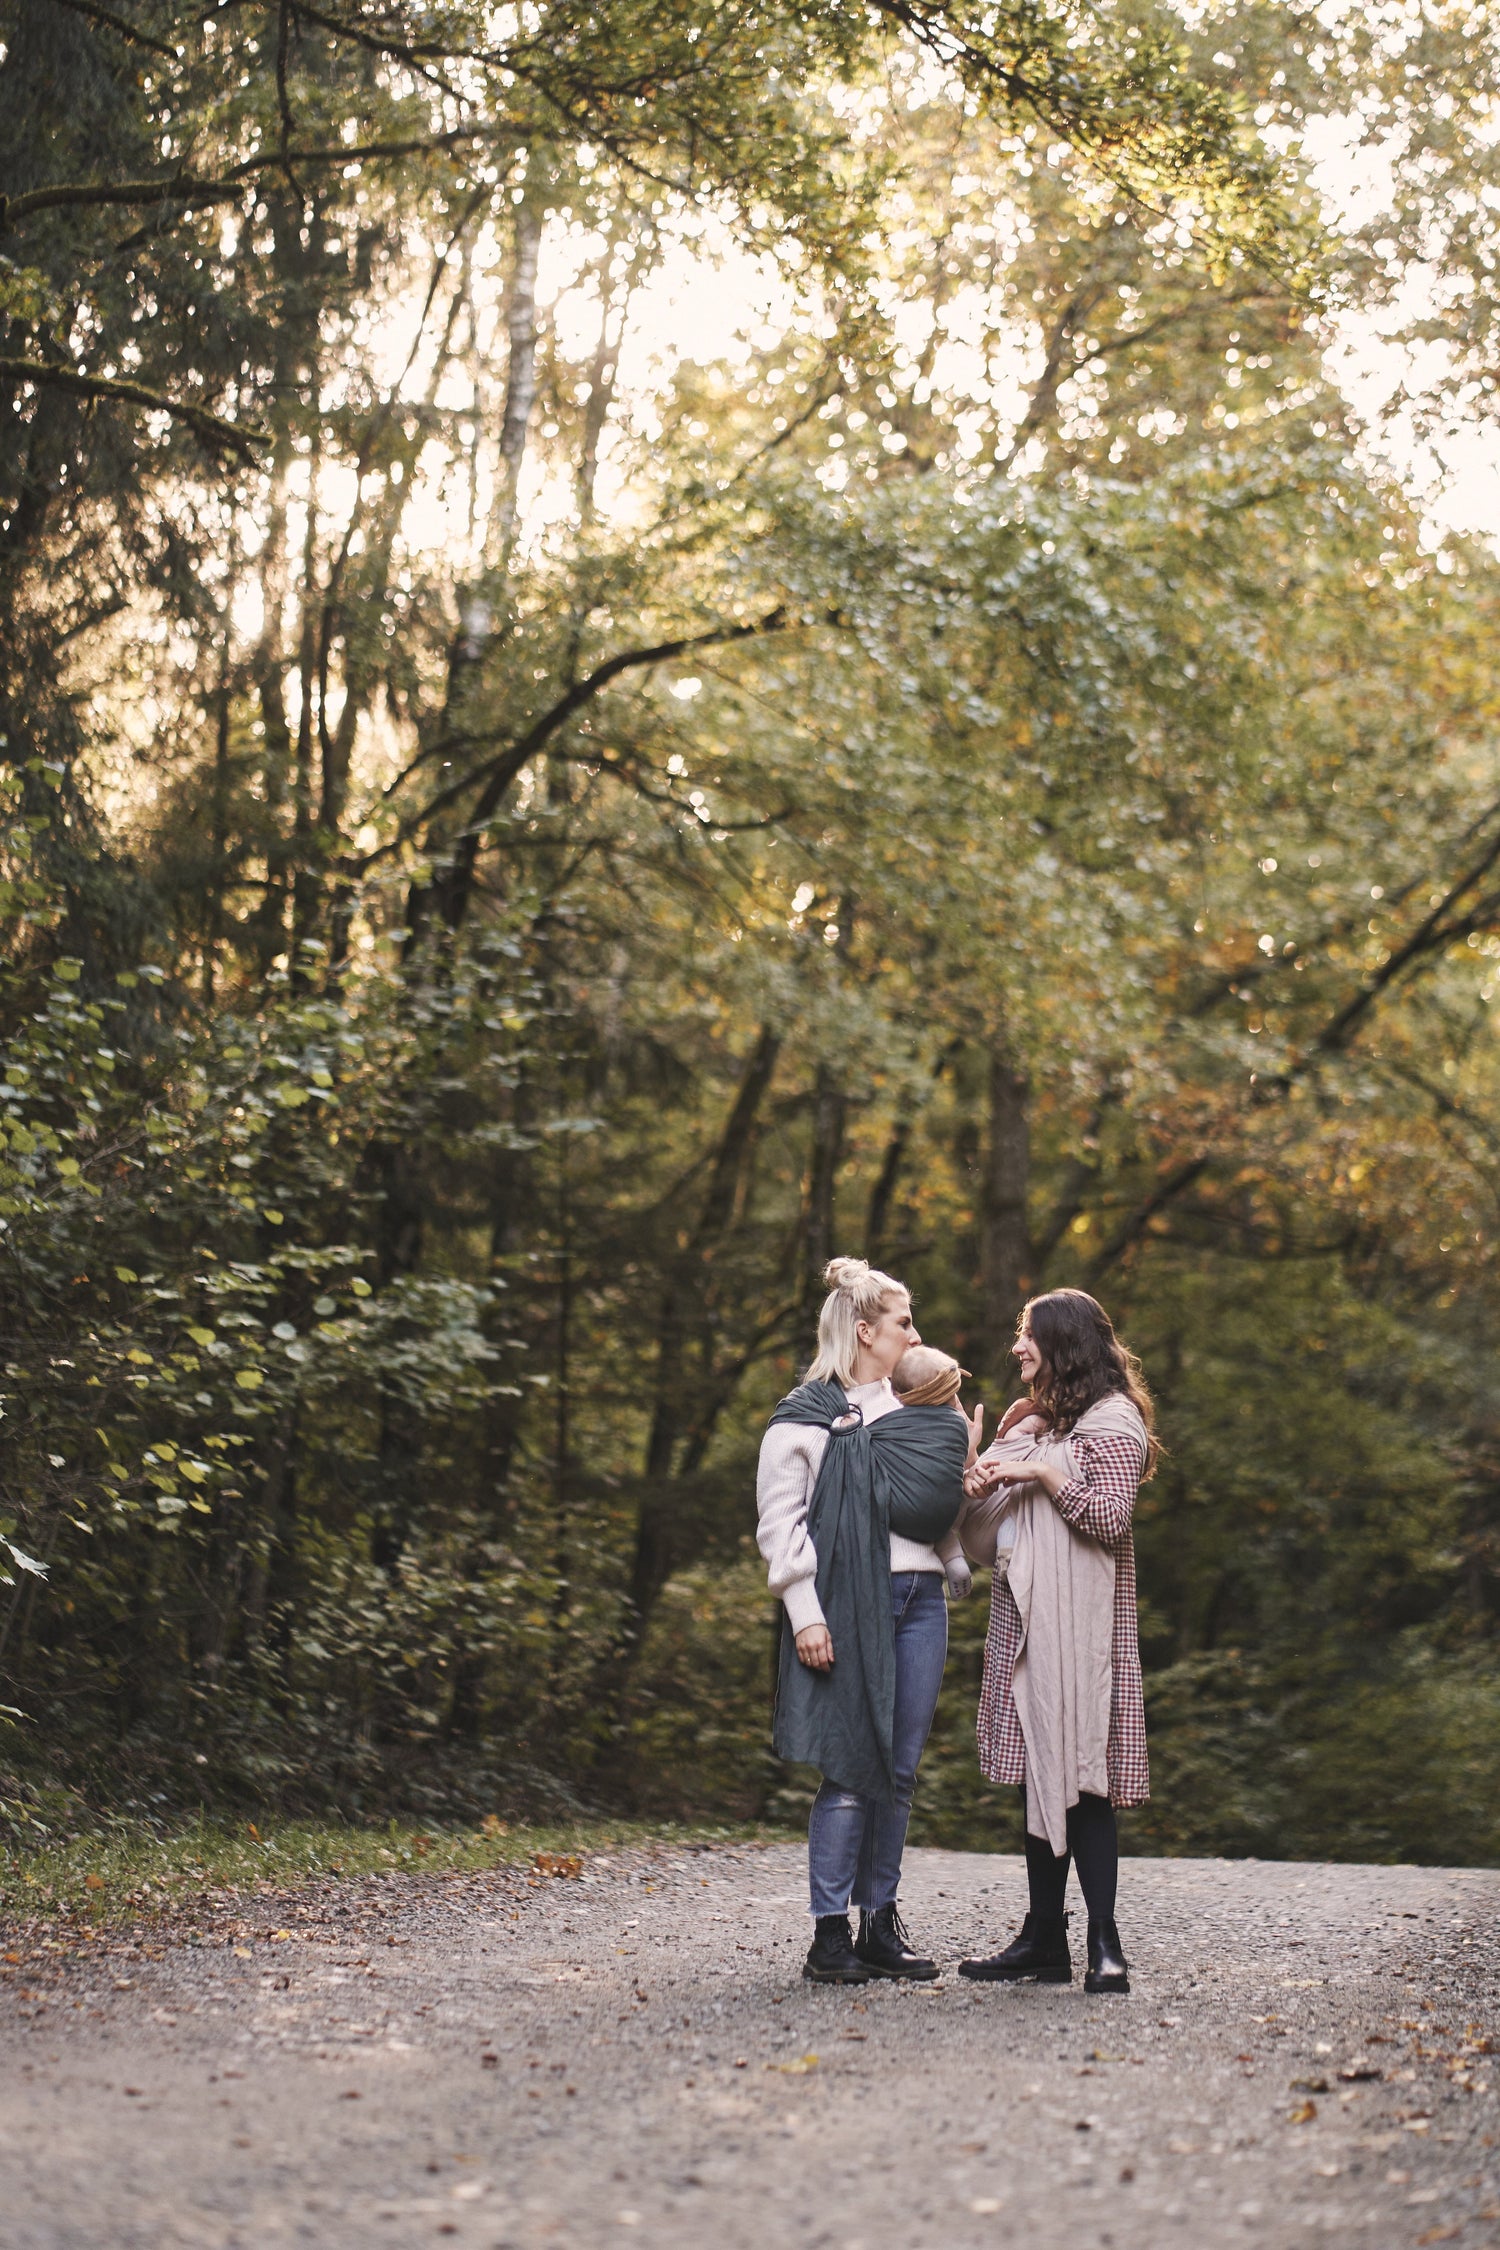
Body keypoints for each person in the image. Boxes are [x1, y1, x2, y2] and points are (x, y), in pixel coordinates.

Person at [756, 1258, 975, 1984]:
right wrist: (805, 1614)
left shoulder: (919, 1405)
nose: (916, 1334)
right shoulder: (807, 1416)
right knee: (851, 1768)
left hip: (922, 1603)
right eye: (904, 1321)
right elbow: (780, 1524)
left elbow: (942, 1508)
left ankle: (880, 1921)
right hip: (850, 1605)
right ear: (864, 1331)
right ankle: (829, 1935)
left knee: (901, 1771)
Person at [957, 1288, 1157, 1997]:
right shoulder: (1046, 1426)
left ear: (1063, 1342)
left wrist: (1039, 1469)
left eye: (1027, 1333)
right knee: (1042, 1765)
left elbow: (1106, 1515)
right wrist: (991, 1461)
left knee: (1083, 1772)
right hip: (1027, 1620)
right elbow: (986, 1536)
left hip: (1086, 1631)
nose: (1016, 1346)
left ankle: (1106, 1943)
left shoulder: (1113, 1421)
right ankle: (1044, 1938)